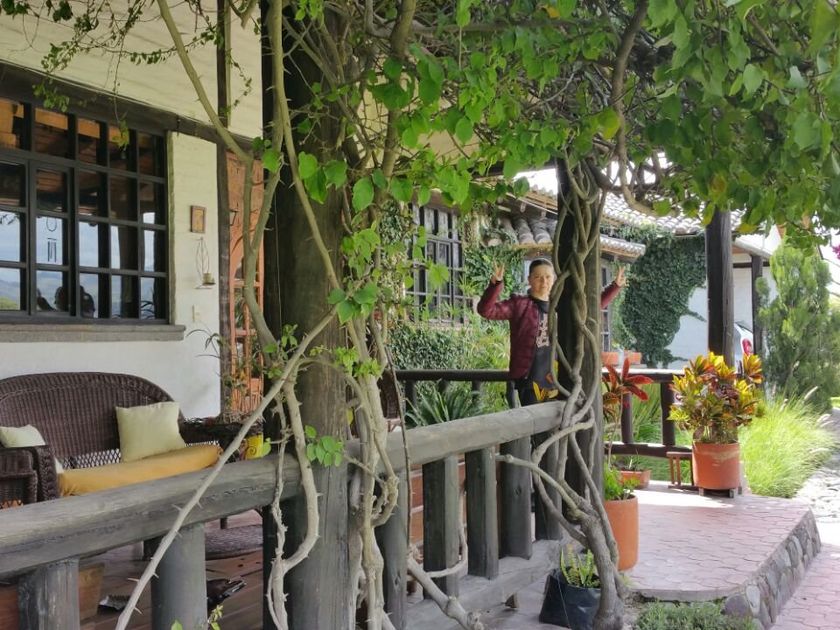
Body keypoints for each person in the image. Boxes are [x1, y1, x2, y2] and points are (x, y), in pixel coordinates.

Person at [477, 259, 626, 406]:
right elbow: (486, 310)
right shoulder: (520, 305)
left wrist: (615, 286)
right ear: (529, 279)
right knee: (535, 420)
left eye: (548, 277)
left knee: (559, 420)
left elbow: (589, 308)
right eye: (538, 277)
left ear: (554, 279)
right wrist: (495, 285)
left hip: (558, 380)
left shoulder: (561, 305)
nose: (544, 281)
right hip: (529, 381)